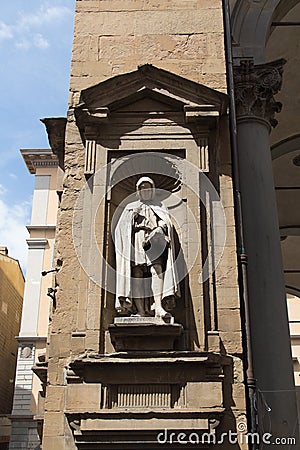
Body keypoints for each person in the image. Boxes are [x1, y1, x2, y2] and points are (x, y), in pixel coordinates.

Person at [114, 176, 180, 320]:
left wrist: (160, 228)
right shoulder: (130, 207)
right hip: (137, 239)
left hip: (154, 240)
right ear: (138, 191)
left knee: (156, 269)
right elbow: (120, 229)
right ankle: (140, 311)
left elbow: (166, 222)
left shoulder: (159, 206)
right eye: (142, 188)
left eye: (148, 188)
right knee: (137, 274)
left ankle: (158, 306)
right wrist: (132, 217)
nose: (146, 191)